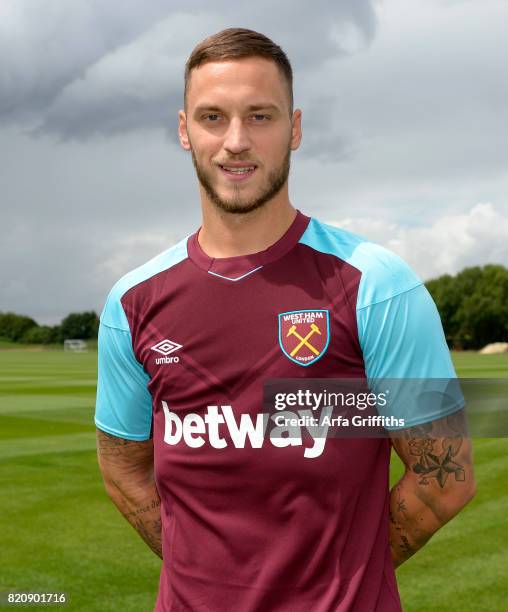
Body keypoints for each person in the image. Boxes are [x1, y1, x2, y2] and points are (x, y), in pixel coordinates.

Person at [95, 27, 476, 612]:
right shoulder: (132, 302)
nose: (237, 141)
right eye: (213, 117)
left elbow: (444, 478)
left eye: (261, 116)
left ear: (294, 129)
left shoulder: (376, 287)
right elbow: (123, 469)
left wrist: (333, 579)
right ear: (184, 130)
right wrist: (205, 573)